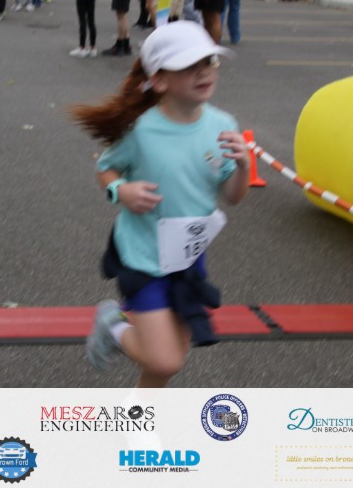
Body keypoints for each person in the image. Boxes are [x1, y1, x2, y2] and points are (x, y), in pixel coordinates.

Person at [72, 21, 250, 388]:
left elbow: (233, 196)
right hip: (142, 257)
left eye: (209, 62)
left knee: (167, 363)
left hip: (188, 258)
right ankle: (112, 324)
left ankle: (139, 416)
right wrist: (121, 191)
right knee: (163, 359)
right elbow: (105, 170)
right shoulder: (140, 130)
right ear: (159, 80)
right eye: (188, 65)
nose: (204, 72)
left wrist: (244, 168)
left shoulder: (223, 125)